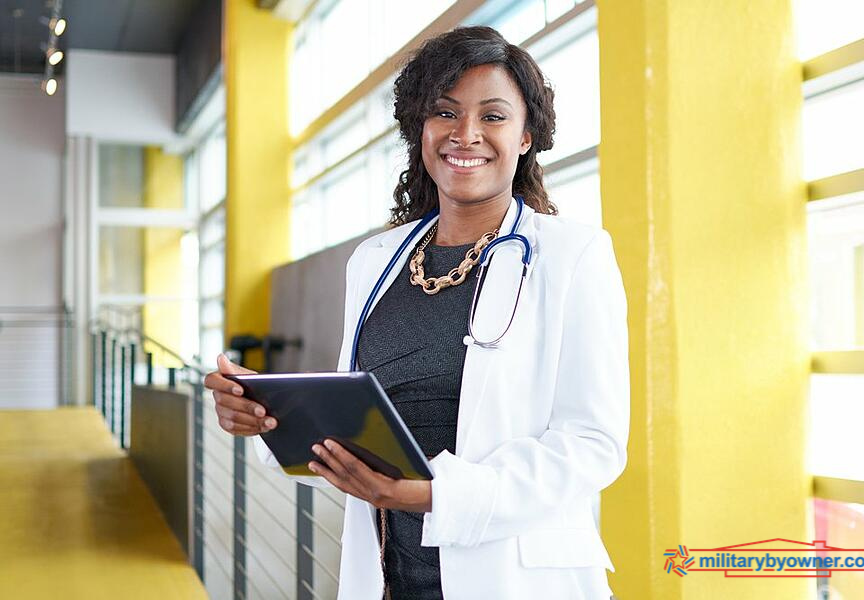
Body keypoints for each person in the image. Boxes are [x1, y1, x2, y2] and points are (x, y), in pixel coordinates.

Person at [204, 26, 629, 600]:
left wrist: (437, 496)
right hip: (388, 572)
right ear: (419, 128)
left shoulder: (573, 255)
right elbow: (353, 410)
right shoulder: (375, 260)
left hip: (514, 577)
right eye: (445, 112)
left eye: (494, 116)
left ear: (528, 135)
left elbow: (593, 443)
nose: (466, 134)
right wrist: (267, 415)